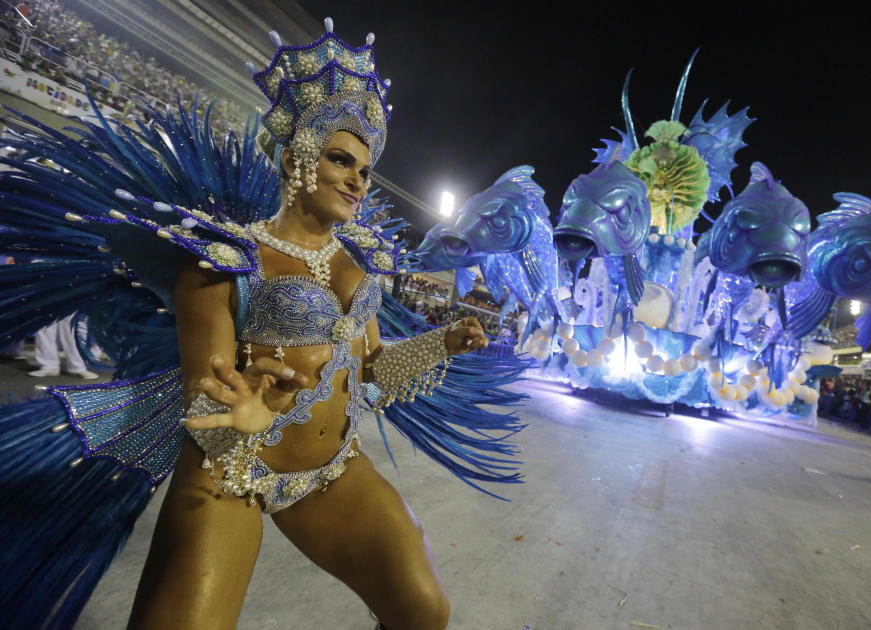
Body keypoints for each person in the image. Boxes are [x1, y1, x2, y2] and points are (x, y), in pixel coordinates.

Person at [0, 18, 528, 630]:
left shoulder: (365, 264)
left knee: (422, 610)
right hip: (232, 468)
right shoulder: (224, 261)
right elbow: (207, 389)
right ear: (296, 157)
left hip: (331, 473)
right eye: (340, 159)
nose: (358, 179)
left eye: (363, 167)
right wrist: (249, 411)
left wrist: (442, 344)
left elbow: (372, 368)